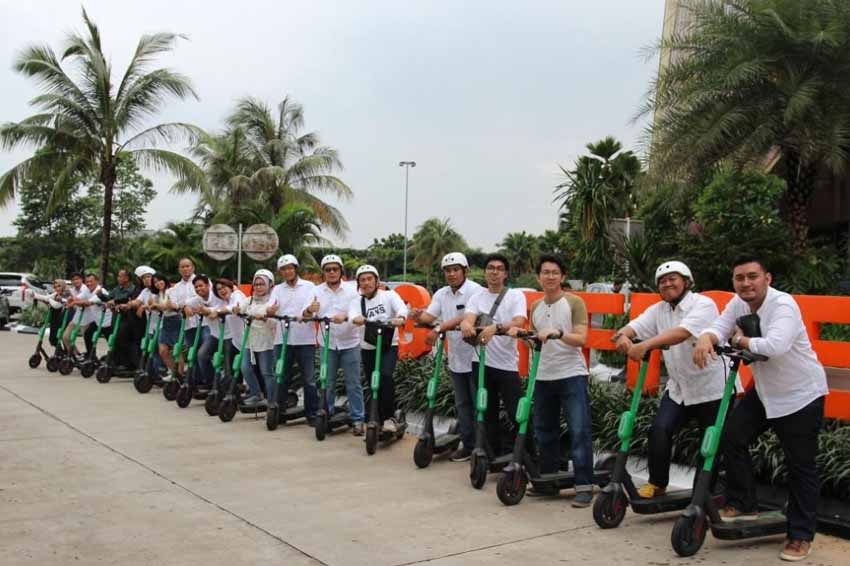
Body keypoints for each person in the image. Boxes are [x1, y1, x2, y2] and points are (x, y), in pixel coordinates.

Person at [693, 255, 828, 562]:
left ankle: (801, 534)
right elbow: (719, 326)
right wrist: (705, 338)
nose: (746, 283)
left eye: (752, 276)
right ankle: (743, 503)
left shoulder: (783, 305)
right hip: (765, 392)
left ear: (767, 278)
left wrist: (740, 340)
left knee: (800, 466)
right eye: (739, 278)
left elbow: (775, 346)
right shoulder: (738, 303)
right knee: (731, 437)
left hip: (800, 395)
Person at [613, 260, 727, 499]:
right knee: (659, 430)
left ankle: (703, 495)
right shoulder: (659, 310)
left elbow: (681, 333)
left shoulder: (703, 304)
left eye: (672, 279)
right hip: (679, 387)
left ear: (686, 281)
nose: (667, 284)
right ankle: (657, 483)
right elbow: (634, 326)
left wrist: (644, 345)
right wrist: (623, 336)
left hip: (712, 386)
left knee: (709, 443)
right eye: (662, 281)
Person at [510, 254, 593, 506]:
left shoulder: (574, 302)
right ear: (538, 277)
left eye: (555, 272)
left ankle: (584, 486)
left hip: (572, 374)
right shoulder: (536, 305)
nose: (550, 276)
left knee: (579, 430)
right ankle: (548, 483)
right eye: (545, 272)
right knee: (545, 431)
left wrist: (558, 333)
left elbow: (581, 338)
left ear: (563, 276)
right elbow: (537, 340)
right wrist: (524, 336)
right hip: (543, 375)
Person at [409, 252, 482, 461]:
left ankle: (482, 446)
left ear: (465, 271)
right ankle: (468, 445)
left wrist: (439, 328)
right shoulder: (442, 293)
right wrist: (417, 315)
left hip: (477, 356)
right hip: (456, 357)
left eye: (455, 270)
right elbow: (429, 315)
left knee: (478, 404)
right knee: (463, 404)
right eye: (448, 271)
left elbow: (465, 317)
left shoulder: (475, 291)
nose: (451, 274)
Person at [460, 253, 527, 457]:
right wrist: (466, 324)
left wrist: (495, 328)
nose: (494, 272)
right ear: (485, 272)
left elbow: (519, 321)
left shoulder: (515, 296)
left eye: (499, 269)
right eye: (490, 268)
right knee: (486, 413)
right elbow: (469, 317)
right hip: (480, 363)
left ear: (505, 274)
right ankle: (491, 457)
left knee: (516, 413)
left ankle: (529, 457)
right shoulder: (477, 297)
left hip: (506, 365)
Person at [303, 254, 365, 435]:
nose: (331, 272)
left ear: (340, 271)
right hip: (327, 343)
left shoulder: (352, 290)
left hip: (350, 342)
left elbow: (359, 310)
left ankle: (358, 419)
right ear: (323, 272)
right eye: (328, 269)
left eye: (335, 269)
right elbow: (305, 315)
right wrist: (309, 310)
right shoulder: (316, 291)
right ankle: (326, 415)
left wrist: (346, 316)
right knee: (326, 382)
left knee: (353, 383)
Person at [349, 264, 408, 433]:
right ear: (359, 284)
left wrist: (400, 317)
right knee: (373, 383)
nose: (366, 283)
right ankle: (378, 418)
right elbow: (353, 315)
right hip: (368, 347)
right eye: (362, 280)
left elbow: (401, 308)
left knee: (385, 377)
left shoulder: (389, 295)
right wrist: (357, 318)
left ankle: (389, 418)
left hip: (388, 346)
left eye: (369, 279)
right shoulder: (357, 301)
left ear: (376, 281)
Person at [269, 254, 318, 424]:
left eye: (290, 268)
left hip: (304, 339)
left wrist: (306, 312)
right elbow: (271, 307)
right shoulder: (277, 289)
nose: (287, 272)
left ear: (296, 269)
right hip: (282, 339)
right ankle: (279, 412)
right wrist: (270, 310)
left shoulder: (309, 287)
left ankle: (312, 414)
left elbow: (311, 308)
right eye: (283, 269)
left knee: (309, 379)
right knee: (281, 376)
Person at [234, 270, 278, 407]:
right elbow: (240, 309)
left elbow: (275, 323)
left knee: (267, 372)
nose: (258, 287)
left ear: (270, 285)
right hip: (249, 340)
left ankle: (272, 400)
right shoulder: (250, 300)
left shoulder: (273, 302)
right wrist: (236, 310)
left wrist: (265, 318)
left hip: (266, 341)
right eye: (256, 284)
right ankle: (256, 394)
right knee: (245, 367)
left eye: (262, 284)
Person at [158, 258, 197, 380]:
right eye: (182, 267)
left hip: (203, 323)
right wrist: (178, 306)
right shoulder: (177, 287)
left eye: (187, 266)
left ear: (193, 267)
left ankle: (199, 379)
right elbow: (174, 304)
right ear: (179, 270)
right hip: (187, 324)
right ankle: (183, 377)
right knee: (191, 353)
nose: (185, 269)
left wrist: (183, 305)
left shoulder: (200, 281)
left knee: (200, 354)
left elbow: (203, 297)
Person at [189, 274, 225, 391]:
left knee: (228, 359)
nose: (199, 289)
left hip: (227, 334)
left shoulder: (217, 296)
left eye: (201, 286)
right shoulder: (197, 299)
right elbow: (185, 303)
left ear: (208, 285)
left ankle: (227, 383)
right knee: (202, 355)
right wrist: (185, 307)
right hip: (214, 334)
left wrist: (209, 311)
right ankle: (212, 382)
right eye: (196, 287)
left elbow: (223, 307)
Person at [212, 279, 246, 387]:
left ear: (230, 287)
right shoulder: (225, 301)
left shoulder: (237, 294)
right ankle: (237, 387)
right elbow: (215, 309)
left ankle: (252, 390)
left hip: (247, 339)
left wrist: (218, 312)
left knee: (247, 367)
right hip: (236, 341)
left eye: (224, 287)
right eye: (219, 289)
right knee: (233, 366)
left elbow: (236, 307)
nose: (222, 290)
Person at [106, 269, 137, 369]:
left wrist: (115, 301)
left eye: (120, 276)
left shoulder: (132, 289)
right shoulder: (117, 289)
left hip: (127, 318)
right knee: (114, 338)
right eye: (118, 276)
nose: (118, 278)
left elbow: (127, 298)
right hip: (116, 316)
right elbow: (108, 297)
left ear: (127, 278)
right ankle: (116, 361)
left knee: (122, 338)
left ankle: (127, 363)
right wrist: (101, 297)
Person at [31, 280, 71, 348]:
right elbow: (45, 298)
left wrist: (49, 300)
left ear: (63, 286)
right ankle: (60, 351)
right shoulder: (56, 294)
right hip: (56, 319)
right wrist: (34, 295)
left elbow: (57, 305)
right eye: (55, 287)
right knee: (53, 339)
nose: (57, 288)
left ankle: (67, 352)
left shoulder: (66, 294)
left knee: (62, 338)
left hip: (64, 318)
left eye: (59, 286)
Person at [63, 272, 90, 352]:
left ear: (81, 280)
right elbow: (68, 301)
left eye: (77, 279)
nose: (75, 281)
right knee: (65, 337)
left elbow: (77, 299)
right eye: (73, 280)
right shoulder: (73, 290)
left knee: (87, 339)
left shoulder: (86, 288)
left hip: (87, 317)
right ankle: (74, 354)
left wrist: (71, 297)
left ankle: (90, 355)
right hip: (77, 316)